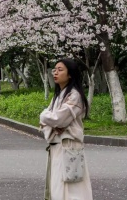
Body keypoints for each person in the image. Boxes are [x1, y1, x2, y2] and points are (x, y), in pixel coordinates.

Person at [39, 59, 92, 200]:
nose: (55, 72)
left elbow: (57, 119)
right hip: (56, 147)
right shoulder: (59, 95)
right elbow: (48, 122)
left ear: (70, 74)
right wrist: (49, 121)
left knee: (71, 189)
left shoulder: (74, 96)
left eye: (60, 69)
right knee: (58, 188)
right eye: (54, 69)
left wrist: (45, 116)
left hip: (68, 147)